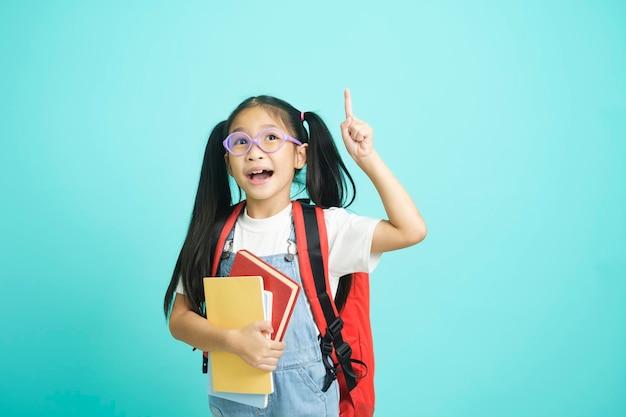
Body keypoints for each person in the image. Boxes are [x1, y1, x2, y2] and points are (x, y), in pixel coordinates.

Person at [163, 89, 427, 417]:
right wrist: (232, 341)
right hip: (234, 401)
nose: (254, 152)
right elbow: (179, 320)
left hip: (308, 401)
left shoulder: (327, 229)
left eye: (271, 138)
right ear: (228, 163)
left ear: (300, 156)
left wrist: (367, 158)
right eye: (240, 142)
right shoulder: (213, 234)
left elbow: (411, 230)